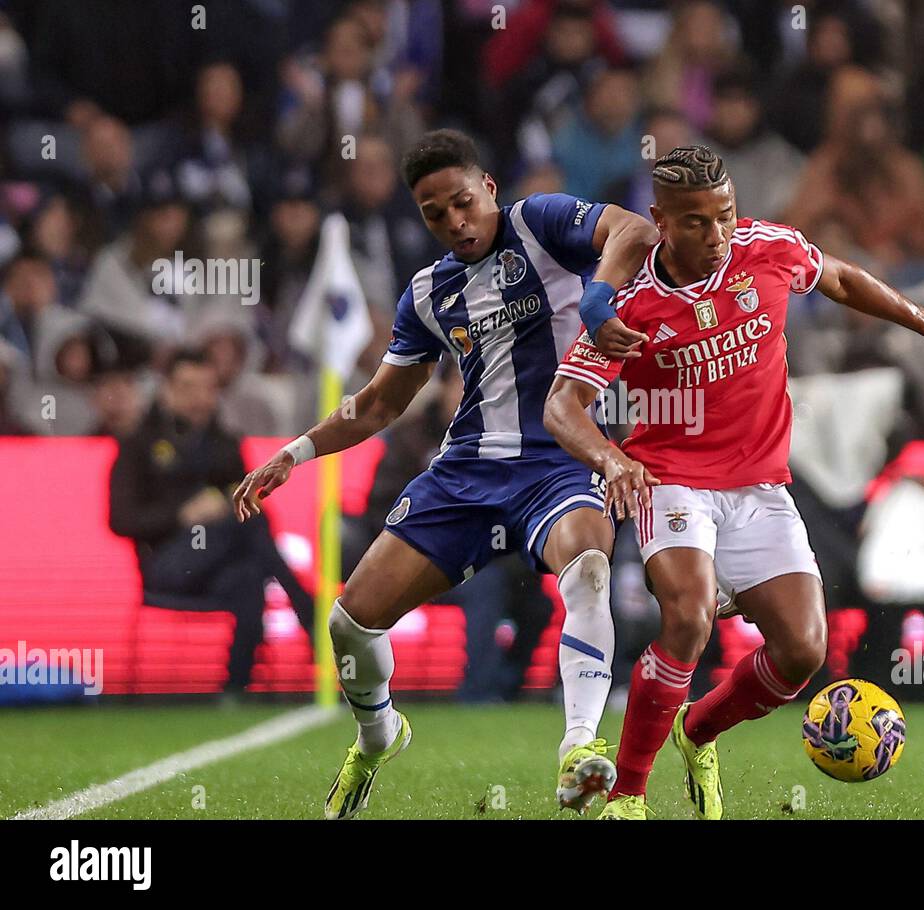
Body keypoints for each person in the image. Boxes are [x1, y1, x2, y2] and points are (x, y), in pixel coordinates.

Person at [542, 145, 924, 819]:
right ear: (660, 222)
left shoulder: (768, 248)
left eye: (725, 216)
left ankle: (697, 730)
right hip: (671, 480)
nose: (717, 235)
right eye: (697, 222)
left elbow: (843, 279)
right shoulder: (629, 305)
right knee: (688, 616)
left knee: (801, 652)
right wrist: (611, 459)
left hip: (759, 487)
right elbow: (563, 405)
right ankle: (628, 794)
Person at [232, 128, 658, 818]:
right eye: (435, 214)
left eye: (462, 202)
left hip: (557, 459)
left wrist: (597, 301)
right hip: (464, 475)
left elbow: (634, 230)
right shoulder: (428, 293)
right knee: (349, 625)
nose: (455, 222)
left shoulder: (540, 223)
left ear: (488, 186)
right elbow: (378, 405)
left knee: (588, 567)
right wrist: (296, 452)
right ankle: (378, 736)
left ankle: (579, 747)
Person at [108, 350, 315, 694]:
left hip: (219, 566)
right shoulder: (138, 444)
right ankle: (307, 613)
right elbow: (120, 518)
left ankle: (236, 690)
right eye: (187, 387)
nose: (198, 398)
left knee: (249, 573)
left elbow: (257, 507)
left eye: (206, 388)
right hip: (167, 566)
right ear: (167, 390)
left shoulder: (225, 444)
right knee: (246, 525)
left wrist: (228, 507)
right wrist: (182, 514)